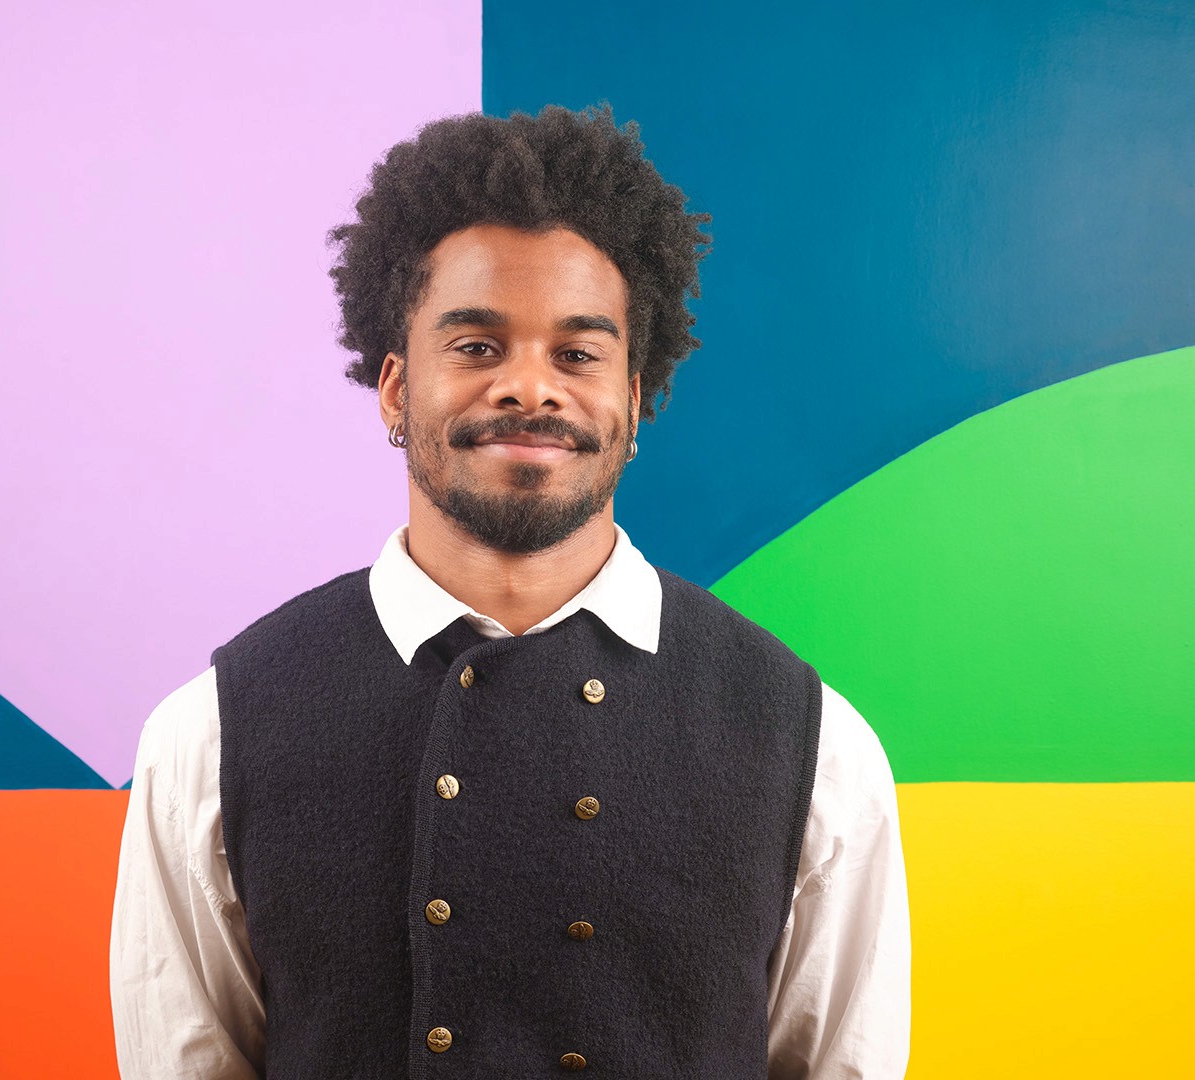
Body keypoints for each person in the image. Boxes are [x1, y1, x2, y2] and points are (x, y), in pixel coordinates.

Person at [109, 105, 910, 1079]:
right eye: (477, 346)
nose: (530, 388)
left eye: (577, 354)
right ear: (396, 390)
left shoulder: (814, 746)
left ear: (633, 398)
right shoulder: (209, 735)